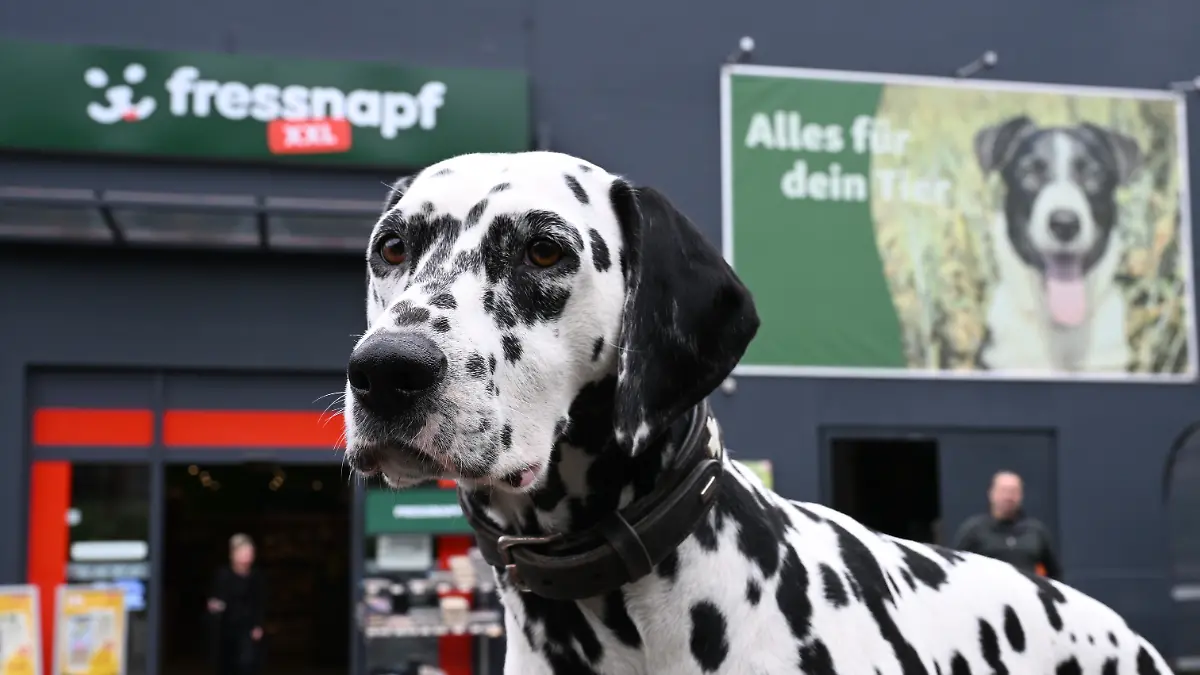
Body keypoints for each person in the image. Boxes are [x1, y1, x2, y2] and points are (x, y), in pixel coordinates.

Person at [953, 470, 1062, 580]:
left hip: (1025, 595)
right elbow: (956, 570)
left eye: (1013, 491)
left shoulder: (1036, 531)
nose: (1008, 497)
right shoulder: (974, 530)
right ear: (991, 493)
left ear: (1021, 495)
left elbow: (1055, 574)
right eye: (1003, 491)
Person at [207, 533, 266, 675]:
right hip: (226, 628)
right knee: (226, 664)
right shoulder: (223, 574)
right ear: (233, 554)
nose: (248, 556)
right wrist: (214, 606)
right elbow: (215, 598)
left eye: (250, 552)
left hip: (247, 628)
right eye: (244, 552)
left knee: (246, 663)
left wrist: (258, 625)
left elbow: (260, 601)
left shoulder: (256, 576)